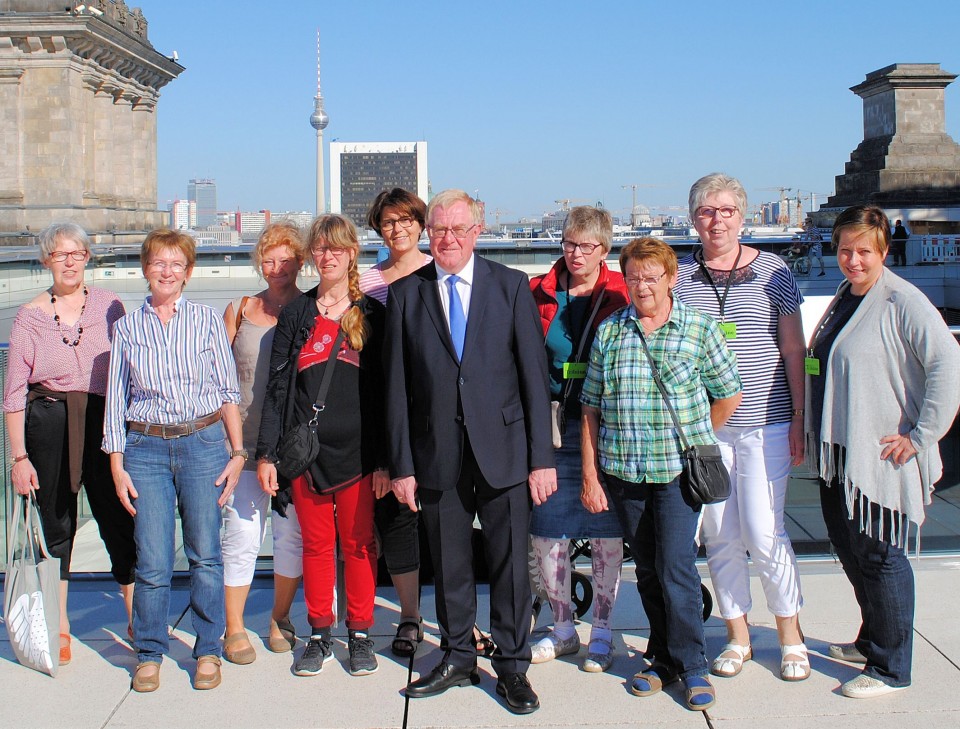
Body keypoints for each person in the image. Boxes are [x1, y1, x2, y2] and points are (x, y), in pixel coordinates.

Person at [385, 189, 557, 715]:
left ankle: (512, 667)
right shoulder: (406, 294)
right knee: (450, 564)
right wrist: (402, 466)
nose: (448, 239)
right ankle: (458, 654)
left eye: (458, 229)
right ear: (427, 233)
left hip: (504, 452)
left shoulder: (509, 287)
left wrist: (541, 458)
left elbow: (533, 377)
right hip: (436, 454)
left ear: (477, 232)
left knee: (508, 567)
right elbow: (395, 387)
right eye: (439, 230)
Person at [581, 237, 742, 712]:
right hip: (625, 473)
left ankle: (692, 663)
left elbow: (727, 394)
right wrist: (591, 475)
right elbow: (591, 407)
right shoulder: (611, 331)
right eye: (633, 276)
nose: (642, 285)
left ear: (671, 279)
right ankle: (662, 657)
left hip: (676, 474)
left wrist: (694, 437)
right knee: (648, 569)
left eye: (652, 276)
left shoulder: (699, 329)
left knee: (675, 568)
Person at [807, 205, 960, 698]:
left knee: (879, 556)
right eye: (845, 250)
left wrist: (920, 435)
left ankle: (893, 667)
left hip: (880, 455)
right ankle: (873, 638)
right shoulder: (844, 296)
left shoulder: (902, 300)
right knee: (851, 550)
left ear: (884, 251)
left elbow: (946, 367)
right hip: (841, 454)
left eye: (864, 251)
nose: (853, 259)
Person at [676, 173, 809, 682]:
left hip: (766, 424)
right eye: (707, 211)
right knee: (719, 534)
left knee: (765, 530)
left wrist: (800, 416)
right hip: (707, 430)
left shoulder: (773, 270)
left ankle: (790, 637)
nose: (717, 220)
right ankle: (738, 635)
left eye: (727, 210)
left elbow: (792, 347)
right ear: (694, 219)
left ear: (742, 216)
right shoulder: (682, 277)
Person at [104, 229, 246, 693]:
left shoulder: (206, 321)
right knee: (153, 558)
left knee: (205, 553)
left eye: (176, 264)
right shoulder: (127, 327)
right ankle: (149, 651)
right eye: (158, 263)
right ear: (145, 269)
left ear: (188, 272)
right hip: (145, 450)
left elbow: (228, 391)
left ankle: (208, 649)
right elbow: (115, 401)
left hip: (202, 444)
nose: (167, 271)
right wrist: (117, 464)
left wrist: (238, 452)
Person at [256, 214, 387, 679]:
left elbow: (386, 394)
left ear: (352, 253)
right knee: (314, 545)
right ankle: (318, 633)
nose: (327, 256)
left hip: (358, 453)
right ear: (312, 255)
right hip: (305, 454)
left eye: (336, 248)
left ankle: (360, 632)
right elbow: (276, 390)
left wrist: (386, 461)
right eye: (320, 249)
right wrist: (267, 454)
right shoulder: (297, 315)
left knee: (357, 544)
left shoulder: (372, 314)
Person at [4, 222, 136, 667]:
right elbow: (13, 393)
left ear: (87, 258)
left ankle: (137, 619)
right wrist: (18, 457)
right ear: (46, 260)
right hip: (49, 422)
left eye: (77, 253)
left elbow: (129, 367)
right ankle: (58, 623)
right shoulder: (29, 316)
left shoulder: (110, 306)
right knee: (57, 522)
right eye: (60, 255)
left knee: (117, 516)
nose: (69, 261)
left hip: (102, 420)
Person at [528, 206, 628, 672]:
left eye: (586, 246)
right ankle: (563, 626)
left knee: (606, 529)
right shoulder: (539, 292)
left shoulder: (622, 293)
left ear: (604, 250)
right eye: (569, 243)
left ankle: (604, 630)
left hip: (607, 424)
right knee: (548, 526)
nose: (575, 253)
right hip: (551, 422)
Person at [219, 222, 306, 664]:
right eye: (268, 260)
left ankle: (280, 617)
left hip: (293, 447)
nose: (276, 269)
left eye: (285, 260)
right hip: (244, 444)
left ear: (301, 262)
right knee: (242, 534)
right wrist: (231, 443)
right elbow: (217, 377)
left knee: (290, 536)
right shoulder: (241, 309)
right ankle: (234, 626)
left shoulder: (313, 310)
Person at [361, 188, 430, 659]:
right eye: (388, 221)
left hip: (438, 415)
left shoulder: (440, 273)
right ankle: (409, 616)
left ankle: (456, 614)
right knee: (396, 518)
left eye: (407, 219)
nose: (398, 228)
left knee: (448, 519)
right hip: (385, 413)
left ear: (421, 224)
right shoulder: (367, 283)